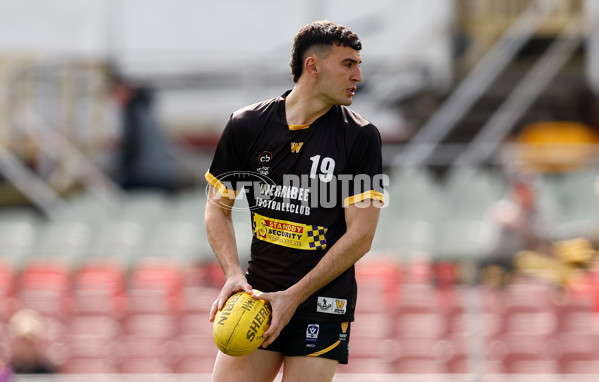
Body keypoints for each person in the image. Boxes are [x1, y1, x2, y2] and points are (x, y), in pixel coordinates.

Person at [204, 20, 385, 382]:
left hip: (322, 304)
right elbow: (216, 208)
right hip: (259, 300)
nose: (359, 76)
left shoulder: (361, 137)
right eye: (348, 64)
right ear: (313, 66)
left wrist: (293, 296)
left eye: (358, 65)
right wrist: (234, 274)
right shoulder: (246, 125)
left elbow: (361, 236)